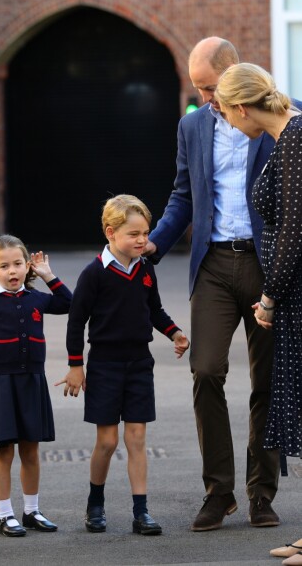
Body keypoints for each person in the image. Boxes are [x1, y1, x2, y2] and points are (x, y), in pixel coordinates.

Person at [144, 37, 285, 532]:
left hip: (270, 267)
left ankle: (261, 493)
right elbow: (183, 195)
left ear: (233, 73)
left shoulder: (284, 119)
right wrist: (153, 246)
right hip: (214, 265)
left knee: (267, 382)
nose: (204, 97)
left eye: (209, 87)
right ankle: (218, 491)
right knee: (206, 371)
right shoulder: (192, 125)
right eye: (198, 88)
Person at [57, 194, 189, 536]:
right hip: (104, 365)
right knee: (106, 442)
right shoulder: (94, 274)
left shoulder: (145, 270)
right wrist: (75, 365)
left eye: (145, 232)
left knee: (137, 437)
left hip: (139, 365)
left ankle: (141, 511)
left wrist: (174, 332)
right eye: (134, 234)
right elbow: (76, 320)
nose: (142, 240)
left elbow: (154, 309)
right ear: (110, 232)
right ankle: (95, 504)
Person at [214, 63, 302, 564]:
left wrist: (268, 298)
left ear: (242, 107)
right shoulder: (292, 131)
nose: (228, 123)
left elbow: (292, 234)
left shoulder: (293, 138)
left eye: (227, 113)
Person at [0, 235, 72, 537]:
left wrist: (48, 275)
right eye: (4, 266)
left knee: (31, 451)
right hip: (0, 386)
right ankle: (5, 514)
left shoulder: (36, 298)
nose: (12, 271)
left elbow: (69, 303)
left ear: (27, 267)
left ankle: (32, 510)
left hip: (32, 382)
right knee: (4, 452)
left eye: (18, 264)